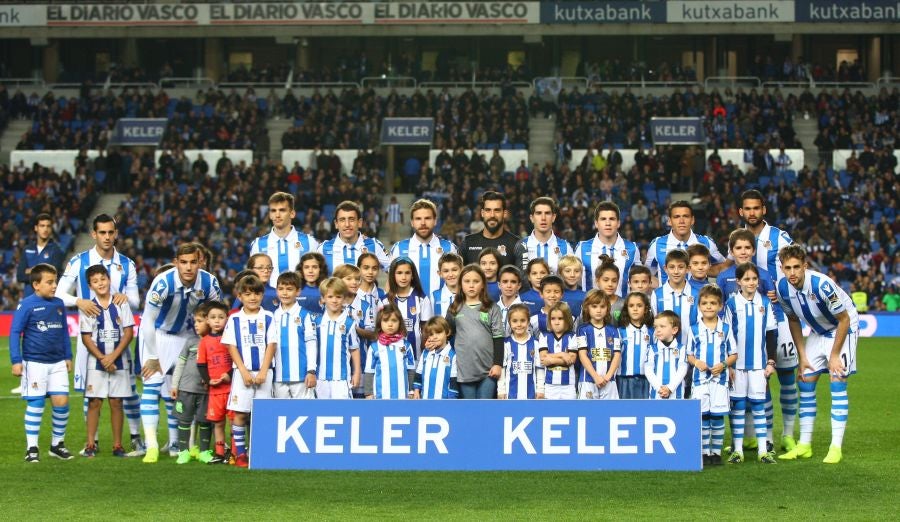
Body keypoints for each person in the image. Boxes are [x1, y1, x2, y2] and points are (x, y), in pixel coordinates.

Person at [56, 214, 143, 454]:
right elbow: (59, 293)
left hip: (118, 337)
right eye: (102, 232)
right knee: (90, 392)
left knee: (125, 392)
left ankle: (135, 437)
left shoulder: (127, 264)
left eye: (110, 232)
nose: (107, 237)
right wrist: (79, 301)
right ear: (94, 234)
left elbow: (135, 299)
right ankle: (91, 443)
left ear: (116, 234)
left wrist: (127, 297)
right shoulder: (79, 261)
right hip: (91, 337)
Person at [139, 243, 221, 463]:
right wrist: (154, 356)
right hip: (156, 334)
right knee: (152, 384)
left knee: (179, 390)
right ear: (175, 263)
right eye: (183, 262)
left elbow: (216, 313)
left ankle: (176, 442)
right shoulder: (163, 282)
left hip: (185, 336)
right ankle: (151, 446)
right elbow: (147, 320)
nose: (188, 267)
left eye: (193, 262)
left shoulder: (209, 282)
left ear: (200, 262)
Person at [776, 245, 858, 464]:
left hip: (843, 328)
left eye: (796, 267)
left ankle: (835, 447)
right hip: (818, 330)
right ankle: (804, 445)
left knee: (837, 379)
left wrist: (834, 355)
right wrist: (802, 356)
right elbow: (793, 320)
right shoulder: (782, 288)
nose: (792, 272)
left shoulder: (822, 285)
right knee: (804, 380)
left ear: (805, 266)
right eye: (787, 268)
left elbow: (844, 319)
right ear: (782, 268)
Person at [10, 264, 74, 462]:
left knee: (62, 401)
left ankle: (57, 445)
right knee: (36, 403)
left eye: (55, 281)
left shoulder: (58, 304)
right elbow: (14, 332)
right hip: (34, 362)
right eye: (50, 282)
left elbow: (64, 332)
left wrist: (68, 356)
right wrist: (16, 360)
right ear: (36, 285)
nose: (54, 285)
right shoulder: (27, 304)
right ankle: (32, 448)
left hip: (57, 363)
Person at [724, 263, 778, 464]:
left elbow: (772, 333)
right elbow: (726, 335)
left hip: (758, 365)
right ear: (738, 282)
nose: (751, 282)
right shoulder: (731, 304)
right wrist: (728, 364)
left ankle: (763, 450)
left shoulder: (765, 302)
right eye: (746, 279)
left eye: (754, 279)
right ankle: (737, 450)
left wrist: (771, 361)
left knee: (758, 405)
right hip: (737, 365)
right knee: (738, 406)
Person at [80, 264, 135, 458]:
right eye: (95, 281)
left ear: (109, 280)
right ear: (90, 285)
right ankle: (90, 444)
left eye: (102, 279)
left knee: (116, 402)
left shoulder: (121, 303)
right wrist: (103, 358)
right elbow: (86, 337)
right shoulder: (89, 307)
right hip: (97, 362)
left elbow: (129, 332)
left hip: (119, 361)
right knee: (94, 402)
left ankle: (117, 445)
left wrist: (113, 356)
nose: (100, 283)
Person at [223, 275, 275, 468]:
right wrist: (243, 371)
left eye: (256, 293)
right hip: (241, 374)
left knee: (262, 414)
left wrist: (263, 371)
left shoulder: (269, 317)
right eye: (247, 294)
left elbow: (272, 345)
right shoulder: (234, 318)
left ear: (262, 295)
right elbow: (232, 346)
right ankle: (241, 454)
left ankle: (258, 452)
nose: (252, 297)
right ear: (240, 296)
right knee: (240, 413)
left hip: (264, 373)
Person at [686, 285, 738, 467]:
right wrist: (697, 363)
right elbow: (689, 354)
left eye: (713, 303)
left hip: (720, 380)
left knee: (717, 416)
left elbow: (733, 354)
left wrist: (724, 365)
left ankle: (715, 452)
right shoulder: (693, 329)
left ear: (720, 306)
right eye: (705, 303)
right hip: (700, 380)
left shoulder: (726, 328)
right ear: (699, 306)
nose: (709, 306)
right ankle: (703, 452)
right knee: (702, 416)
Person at [445, 265, 504, 399]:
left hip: (488, 370)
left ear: (483, 284)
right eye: (467, 281)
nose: (471, 285)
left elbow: (499, 337)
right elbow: (446, 334)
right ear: (461, 284)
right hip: (463, 370)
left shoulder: (491, 307)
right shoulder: (454, 308)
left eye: (476, 281)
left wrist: (498, 364)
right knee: (470, 409)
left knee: (484, 407)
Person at [645, 201, 728, 285]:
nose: (681, 221)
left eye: (686, 216)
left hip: (699, 297)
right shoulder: (656, 245)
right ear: (669, 221)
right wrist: (660, 290)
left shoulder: (706, 243)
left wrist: (702, 269)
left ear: (692, 220)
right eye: (677, 217)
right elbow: (647, 275)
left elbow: (724, 268)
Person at [171, 304, 213, 465]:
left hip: (206, 391)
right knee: (184, 421)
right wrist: (175, 385)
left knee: (205, 421)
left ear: (209, 322)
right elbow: (180, 364)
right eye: (195, 321)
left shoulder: (216, 342)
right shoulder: (190, 342)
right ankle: (183, 452)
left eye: (200, 321)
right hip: (186, 389)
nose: (196, 324)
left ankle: (204, 451)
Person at [249, 192, 319, 286]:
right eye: (273, 211)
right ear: (270, 215)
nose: (277, 215)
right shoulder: (258, 245)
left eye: (282, 210)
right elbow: (253, 279)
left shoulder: (309, 242)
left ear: (292, 213)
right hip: (268, 300)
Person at [390, 199, 457, 296]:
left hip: (442, 310)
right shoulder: (398, 248)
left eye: (427, 218)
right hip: (409, 310)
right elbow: (391, 282)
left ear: (435, 221)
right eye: (418, 219)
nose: (423, 223)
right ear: (412, 222)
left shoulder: (449, 248)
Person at [267, 271, 317, 399]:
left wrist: (311, 371)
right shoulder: (272, 316)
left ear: (298, 292)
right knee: (281, 414)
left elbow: (311, 344)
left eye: (289, 289)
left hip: (301, 376)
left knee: (305, 412)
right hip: (278, 376)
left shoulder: (305, 315)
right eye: (281, 289)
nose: (284, 293)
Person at [574, 201, 640, 295]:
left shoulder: (632, 248)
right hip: (591, 307)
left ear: (618, 223)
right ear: (596, 223)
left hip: (622, 308)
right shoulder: (582, 248)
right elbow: (573, 279)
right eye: (603, 219)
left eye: (612, 219)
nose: (608, 223)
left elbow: (640, 280)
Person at [196, 301, 231, 465]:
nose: (217, 321)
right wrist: (209, 380)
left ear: (227, 319)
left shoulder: (230, 339)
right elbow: (201, 365)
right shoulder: (204, 342)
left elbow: (237, 362)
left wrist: (228, 375)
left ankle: (235, 452)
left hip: (231, 389)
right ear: (207, 321)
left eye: (221, 317)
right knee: (218, 422)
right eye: (213, 317)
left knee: (234, 421)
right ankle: (219, 452)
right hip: (215, 391)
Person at [315, 277, 362, 399]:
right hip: (320, 378)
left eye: (338, 297)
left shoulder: (349, 323)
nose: (334, 300)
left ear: (344, 298)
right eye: (330, 297)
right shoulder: (317, 322)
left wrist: (356, 372)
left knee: (343, 411)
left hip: (341, 378)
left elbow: (354, 349)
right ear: (323, 298)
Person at [382, 257, 433, 365]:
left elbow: (426, 329)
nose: (403, 277)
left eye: (407, 273)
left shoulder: (422, 299)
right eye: (399, 273)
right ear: (393, 275)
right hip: (392, 358)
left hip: (417, 357)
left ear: (413, 275)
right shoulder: (385, 300)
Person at [317, 200, 390, 275]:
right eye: (342, 220)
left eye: (351, 219)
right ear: (336, 224)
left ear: (359, 222)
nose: (347, 224)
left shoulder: (374, 245)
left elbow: (394, 271)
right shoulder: (323, 248)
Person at [576, 290, 621, 400]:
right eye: (594, 306)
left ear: (607, 308)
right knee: (587, 413)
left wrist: (608, 377)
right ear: (587, 308)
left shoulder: (613, 331)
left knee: (611, 414)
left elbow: (617, 355)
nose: (599, 310)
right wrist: (596, 377)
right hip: (588, 380)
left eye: (602, 306)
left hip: (609, 381)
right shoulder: (582, 330)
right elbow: (582, 355)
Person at [364, 305, 415, 399]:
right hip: (380, 397)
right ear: (380, 323)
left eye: (394, 320)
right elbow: (369, 372)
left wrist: (411, 391)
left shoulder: (406, 346)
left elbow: (411, 370)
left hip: (402, 396)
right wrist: (368, 393)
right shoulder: (374, 347)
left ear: (400, 323)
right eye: (386, 321)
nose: (390, 324)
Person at [651, 249, 699, 348]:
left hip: (690, 352)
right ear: (665, 269)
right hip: (663, 353)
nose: (676, 271)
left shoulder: (696, 294)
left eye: (681, 267)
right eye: (672, 267)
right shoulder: (657, 294)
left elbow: (700, 326)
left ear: (688, 269)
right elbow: (653, 325)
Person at [513, 197, 573, 275]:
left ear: (553, 217)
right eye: (539, 213)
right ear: (532, 218)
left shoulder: (565, 247)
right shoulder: (521, 245)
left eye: (547, 213)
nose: (543, 218)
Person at [498, 303, 545, 400]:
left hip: (531, 395)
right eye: (515, 321)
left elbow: (539, 369)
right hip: (510, 395)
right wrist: (501, 390)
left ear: (528, 322)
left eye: (523, 321)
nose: (519, 324)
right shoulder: (506, 344)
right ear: (510, 322)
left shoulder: (536, 343)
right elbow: (502, 370)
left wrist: (540, 389)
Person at [460, 191, 519, 267]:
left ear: (504, 214)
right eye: (488, 210)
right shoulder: (468, 243)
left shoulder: (516, 244)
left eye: (497, 210)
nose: (492, 215)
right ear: (482, 213)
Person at [18, 213, 65, 299]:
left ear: (51, 229)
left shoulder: (56, 250)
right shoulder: (27, 249)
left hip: (47, 300)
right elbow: (20, 276)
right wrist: (42, 272)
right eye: (42, 226)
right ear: (36, 228)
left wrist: (31, 270)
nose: (45, 229)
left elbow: (53, 277)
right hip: (28, 300)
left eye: (48, 226)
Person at [617, 292, 654, 399]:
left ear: (646, 309)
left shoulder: (652, 332)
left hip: (647, 379)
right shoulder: (620, 332)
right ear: (626, 309)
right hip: (624, 379)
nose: (635, 309)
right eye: (631, 306)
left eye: (639, 305)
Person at [539, 302, 578, 400]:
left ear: (567, 319)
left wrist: (551, 360)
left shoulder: (572, 336)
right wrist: (563, 354)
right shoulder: (544, 336)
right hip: (550, 384)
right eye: (553, 319)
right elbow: (543, 358)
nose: (556, 322)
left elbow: (571, 359)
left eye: (560, 318)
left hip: (568, 384)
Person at [645, 310, 688, 400]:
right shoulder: (652, 349)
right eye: (656, 327)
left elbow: (682, 370)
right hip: (656, 395)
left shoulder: (682, 349)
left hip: (676, 396)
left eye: (662, 326)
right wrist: (659, 389)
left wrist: (670, 388)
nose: (658, 330)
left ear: (674, 330)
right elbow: (648, 371)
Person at [414, 317, 459, 400]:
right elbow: (418, 373)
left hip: (444, 402)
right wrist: (416, 391)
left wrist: (452, 400)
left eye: (438, 332)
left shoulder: (452, 356)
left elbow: (453, 381)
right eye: (431, 334)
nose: (434, 337)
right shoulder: (425, 353)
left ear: (447, 332)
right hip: (425, 400)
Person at [594, 255, 624, 322]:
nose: (610, 284)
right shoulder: (589, 303)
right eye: (605, 280)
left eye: (614, 281)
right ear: (597, 281)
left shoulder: (623, 304)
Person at [431, 252, 462, 317]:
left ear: (462, 270)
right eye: (446, 271)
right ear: (440, 274)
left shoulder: (469, 294)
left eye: (454, 270)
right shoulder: (434, 297)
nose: (450, 275)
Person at [297, 252, 327, 316]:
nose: (310, 271)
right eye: (306, 267)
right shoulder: (295, 290)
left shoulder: (327, 290)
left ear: (320, 269)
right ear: (301, 270)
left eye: (315, 267)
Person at [496, 265, 523, 333]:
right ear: (499, 285)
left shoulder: (524, 309)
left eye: (513, 282)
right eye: (505, 281)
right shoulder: (493, 309)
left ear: (519, 285)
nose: (509, 286)